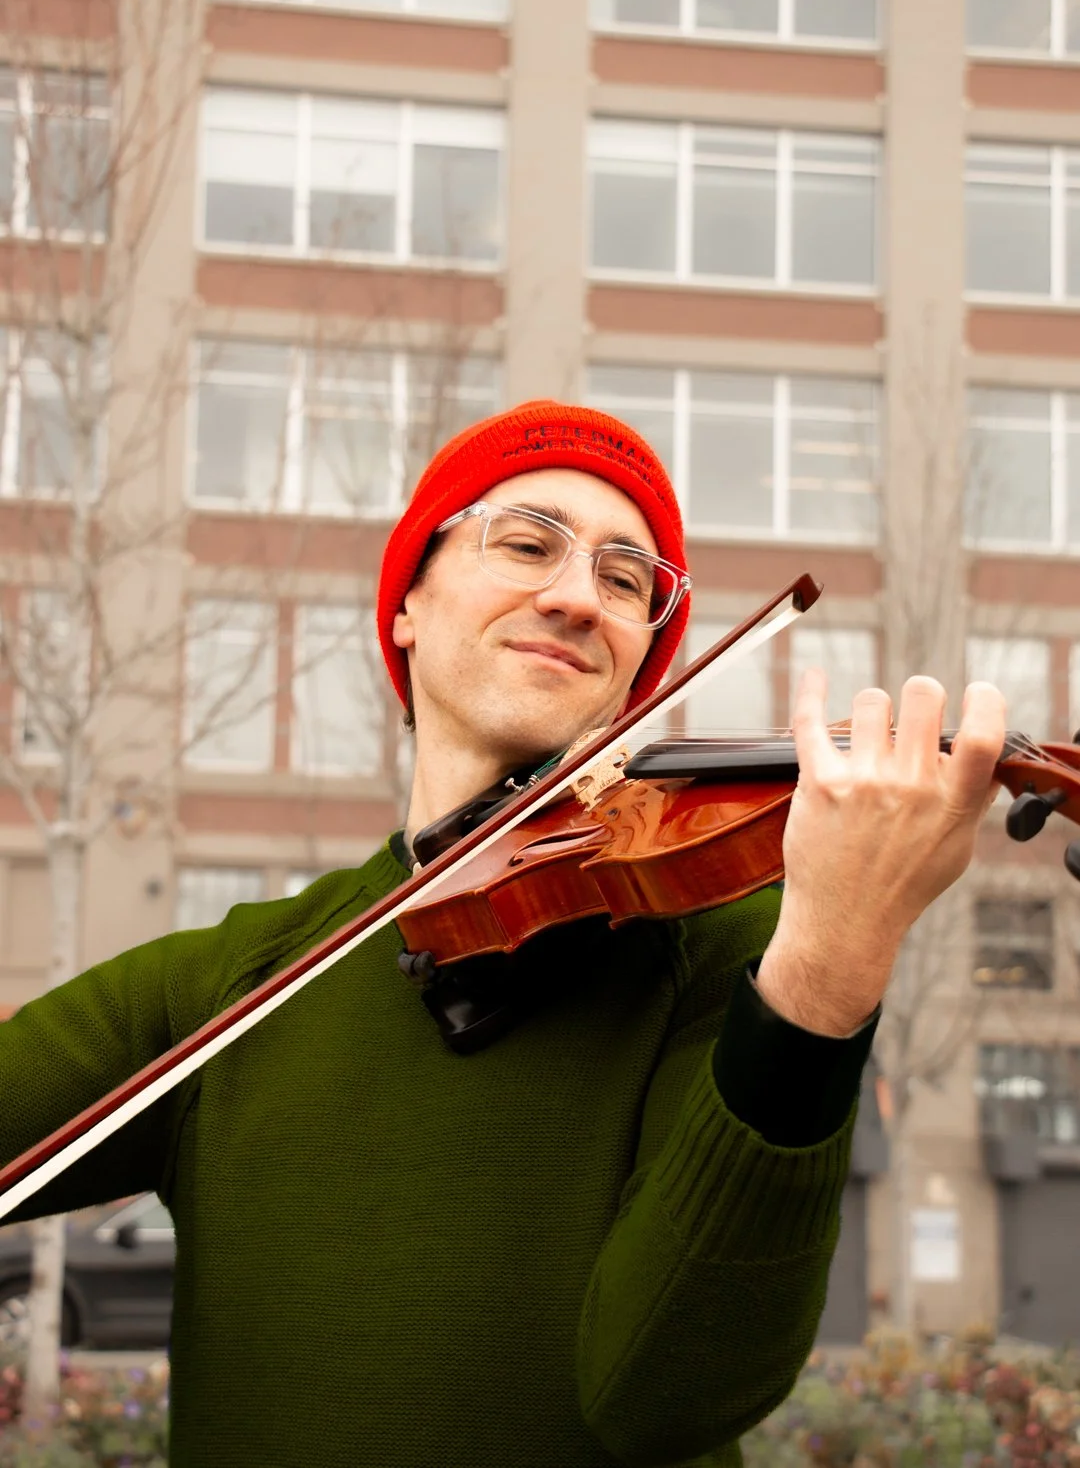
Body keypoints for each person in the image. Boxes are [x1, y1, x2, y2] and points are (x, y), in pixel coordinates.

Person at [0, 400, 1005, 1468]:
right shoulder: (237, 977)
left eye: (626, 581)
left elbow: (671, 1395)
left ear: (637, 669)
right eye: (526, 543)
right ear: (407, 607)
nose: (578, 596)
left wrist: (829, 966)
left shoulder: (727, 947)